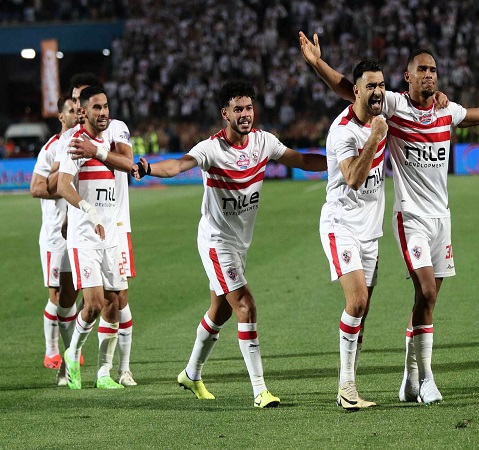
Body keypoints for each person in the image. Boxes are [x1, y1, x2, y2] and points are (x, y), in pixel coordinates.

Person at [299, 32, 479, 404]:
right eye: (422, 69)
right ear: (408, 76)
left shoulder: (446, 111)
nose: (429, 74)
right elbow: (350, 89)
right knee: (425, 291)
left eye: (433, 69)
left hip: (441, 219)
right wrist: (317, 63)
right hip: (410, 217)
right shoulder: (393, 106)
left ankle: (410, 378)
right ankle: (426, 379)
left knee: (426, 300)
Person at [132, 80, 327, 408]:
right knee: (246, 305)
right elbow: (178, 164)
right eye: (238, 109)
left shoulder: (264, 142)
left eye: (249, 107)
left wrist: (339, 163)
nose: (245, 114)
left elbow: (302, 160)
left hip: (239, 244)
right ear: (225, 113)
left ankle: (191, 374)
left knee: (220, 310)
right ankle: (260, 391)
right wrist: (149, 167)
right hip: (216, 241)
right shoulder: (211, 149)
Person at [48, 73, 137, 387]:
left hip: (112, 233)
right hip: (85, 235)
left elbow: (130, 165)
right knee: (95, 303)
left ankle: (104, 373)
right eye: (96, 107)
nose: (103, 112)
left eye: (106, 106)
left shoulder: (108, 143)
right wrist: (87, 209)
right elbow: (62, 185)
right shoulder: (74, 143)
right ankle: (72, 353)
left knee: (114, 302)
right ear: (82, 111)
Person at [318, 59, 387, 410]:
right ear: (356, 91)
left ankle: (351, 385)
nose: (378, 92)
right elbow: (354, 179)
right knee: (356, 301)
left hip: (370, 231)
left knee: (363, 312)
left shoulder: (382, 110)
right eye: (370, 86)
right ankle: (345, 388)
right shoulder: (343, 131)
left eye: (381, 85)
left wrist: (437, 96)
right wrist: (374, 137)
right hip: (341, 225)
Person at [29, 94, 78, 383]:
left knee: (71, 298)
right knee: (57, 297)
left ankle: (70, 351)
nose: (76, 114)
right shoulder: (51, 149)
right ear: (61, 116)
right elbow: (36, 188)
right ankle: (53, 353)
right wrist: (63, 184)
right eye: (71, 111)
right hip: (54, 236)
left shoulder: (83, 144)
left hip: (77, 232)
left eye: (78, 110)